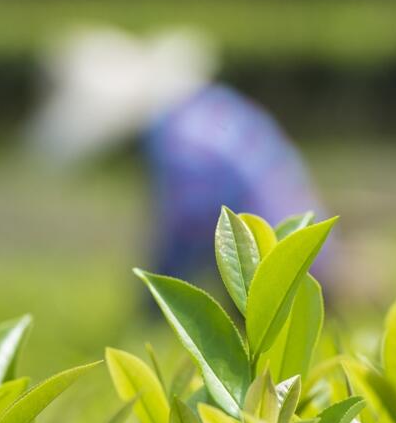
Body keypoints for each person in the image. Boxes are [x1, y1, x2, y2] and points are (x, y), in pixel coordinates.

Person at [28, 27, 329, 281]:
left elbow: (189, 225)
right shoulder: (208, 107)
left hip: (280, 272)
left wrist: (156, 298)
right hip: (304, 256)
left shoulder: (179, 143)